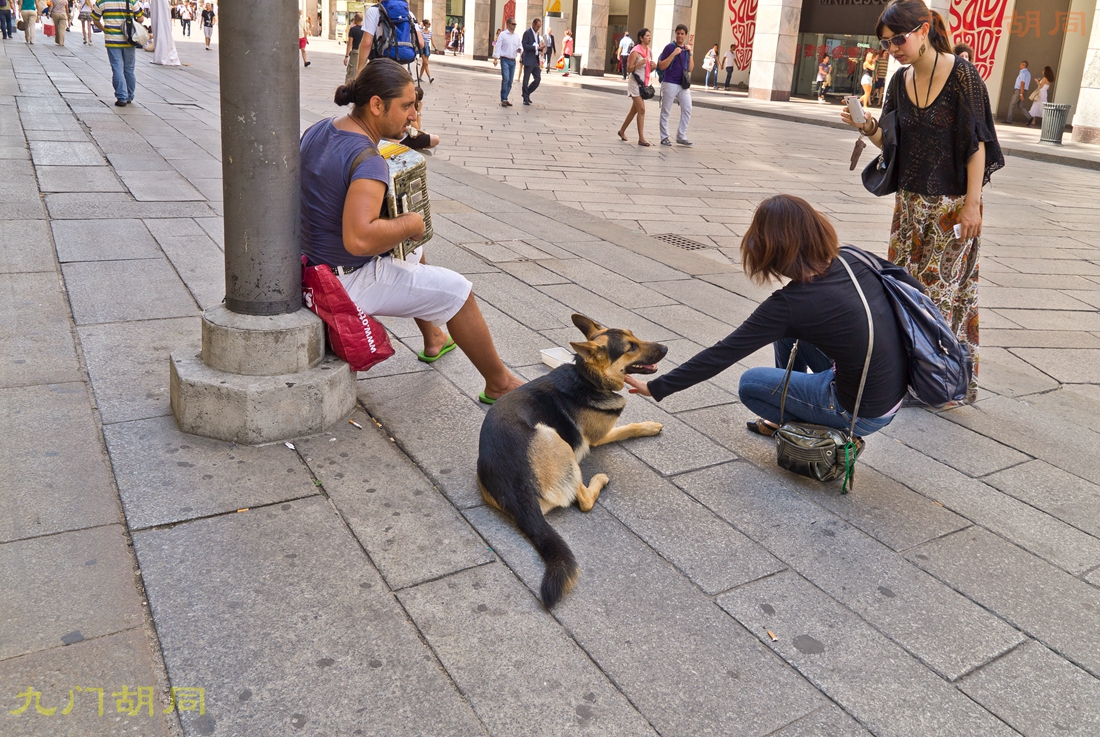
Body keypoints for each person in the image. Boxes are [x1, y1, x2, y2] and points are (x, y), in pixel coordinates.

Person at [302, 59, 524, 403]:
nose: (413, 116)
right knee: (457, 292)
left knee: (415, 253)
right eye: (406, 106)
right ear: (377, 105)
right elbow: (358, 239)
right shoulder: (368, 160)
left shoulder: (321, 128)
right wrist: (411, 223)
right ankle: (500, 384)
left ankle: (434, 338)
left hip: (310, 263)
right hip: (340, 280)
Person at [624, 195, 914, 442]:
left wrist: (656, 386)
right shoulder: (852, 257)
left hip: (858, 413)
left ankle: (820, 430)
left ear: (770, 249)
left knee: (751, 384)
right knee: (789, 331)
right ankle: (796, 403)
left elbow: (723, 353)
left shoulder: (791, 304)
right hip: (892, 392)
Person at [841, 0, 1004, 403]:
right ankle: (914, 376)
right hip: (910, 208)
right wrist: (867, 127)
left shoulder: (964, 76)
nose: (892, 48)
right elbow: (893, 145)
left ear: (925, 28)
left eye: (898, 38)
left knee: (941, 297)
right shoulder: (899, 82)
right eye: (885, 43)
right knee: (906, 293)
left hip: (951, 207)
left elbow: (976, 145)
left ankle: (943, 383)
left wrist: (972, 205)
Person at [92, 0, 144, 105]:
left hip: (112, 40)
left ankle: (121, 97)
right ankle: (129, 95)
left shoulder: (101, 1)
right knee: (129, 69)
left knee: (117, 68)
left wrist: (105, 30)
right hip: (129, 39)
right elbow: (141, 18)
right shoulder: (132, 1)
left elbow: (95, 20)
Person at [657, 24, 693, 146]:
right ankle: (664, 136)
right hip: (670, 82)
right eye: (678, 33)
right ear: (675, 34)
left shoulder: (686, 50)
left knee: (687, 109)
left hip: (682, 84)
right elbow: (661, 65)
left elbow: (690, 69)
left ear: (686, 35)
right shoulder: (669, 47)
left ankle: (681, 135)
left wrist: (690, 53)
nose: (680, 35)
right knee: (666, 110)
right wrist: (673, 54)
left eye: (682, 33)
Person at [617, 27, 652, 146]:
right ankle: (641, 138)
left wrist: (653, 66)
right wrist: (639, 64)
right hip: (634, 83)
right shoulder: (635, 52)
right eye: (647, 36)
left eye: (650, 35)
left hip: (643, 84)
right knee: (641, 109)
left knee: (634, 111)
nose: (649, 37)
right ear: (641, 38)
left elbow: (648, 69)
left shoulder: (648, 51)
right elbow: (629, 69)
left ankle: (622, 131)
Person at [492, 17, 521, 107]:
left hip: (513, 60)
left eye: (515, 24)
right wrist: (496, 58)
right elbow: (498, 46)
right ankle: (503, 98)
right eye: (513, 24)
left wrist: (520, 49)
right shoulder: (503, 35)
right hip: (505, 59)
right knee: (506, 78)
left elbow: (520, 45)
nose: (514, 26)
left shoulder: (517, 36)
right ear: (508, 24)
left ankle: (506, 97)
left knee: (510, 81)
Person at [520, 17, 543, 105]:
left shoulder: (537, 34)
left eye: (539, 27)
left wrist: (539, 48)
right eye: (537, 26)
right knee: (526, 79)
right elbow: (524, 45)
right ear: (533, 24)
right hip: (528, 59)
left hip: (535, 59)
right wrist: (534, 47)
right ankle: (525, 98)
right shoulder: (527, 33)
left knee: (537, 79)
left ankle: (527, 92)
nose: (538, 28)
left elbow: (536, 45)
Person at [1005, 60, 1032, 125]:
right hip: (1024, 90)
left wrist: (1020, 94)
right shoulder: (1028, 73)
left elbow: (1022, 83)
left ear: (1023, 65)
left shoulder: (1023, 73)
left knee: (1012, 104)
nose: (1019, 66)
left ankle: (1009, 119)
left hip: (1019, 90)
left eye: (1020, 64)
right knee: (1021, 106)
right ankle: (1029, 117)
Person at [344, 12, 363, 84]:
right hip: (363, 53)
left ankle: (348, 88)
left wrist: (346, 56)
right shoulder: (365, 30)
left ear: (355, 19)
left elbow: (350, 44)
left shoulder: (353, 29)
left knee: (351, 72)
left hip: (355, 53)